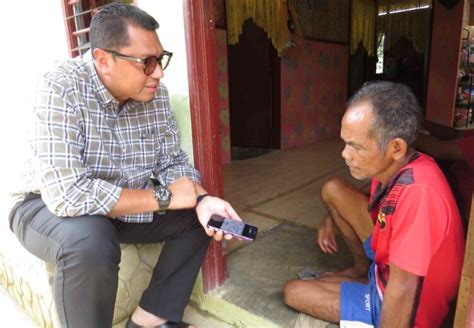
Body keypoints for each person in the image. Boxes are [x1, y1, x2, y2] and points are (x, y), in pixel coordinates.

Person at [8, 3, 240, 328]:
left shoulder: (155, 95)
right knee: (90, 240)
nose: (158, 72)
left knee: (197, 218)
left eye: (160, 59)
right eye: (147, 62)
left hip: (120, 206)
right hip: (45, 207)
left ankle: (149, 320)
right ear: (104, 60)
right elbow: (67, 194)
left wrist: (202, 199)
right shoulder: (60, 87)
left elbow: (171, 161)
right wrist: (164, 198)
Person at [283, 81, 465, 327]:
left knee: (294, 291)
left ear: (396, 147)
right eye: (345, 143)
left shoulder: (419, 193)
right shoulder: (400, 166)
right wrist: (330, 218)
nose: (345, 154)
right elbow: (357, 195)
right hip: (383, 275)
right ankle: (364, 273)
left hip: (409, 310)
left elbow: (403, 289)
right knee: (310, 282)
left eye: (356, 146)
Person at [415, 131, 473, 224]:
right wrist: (424, 123)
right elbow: (456, 135)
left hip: (461, 203)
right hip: (455, 183)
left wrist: (407, 132)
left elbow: (438, 149)